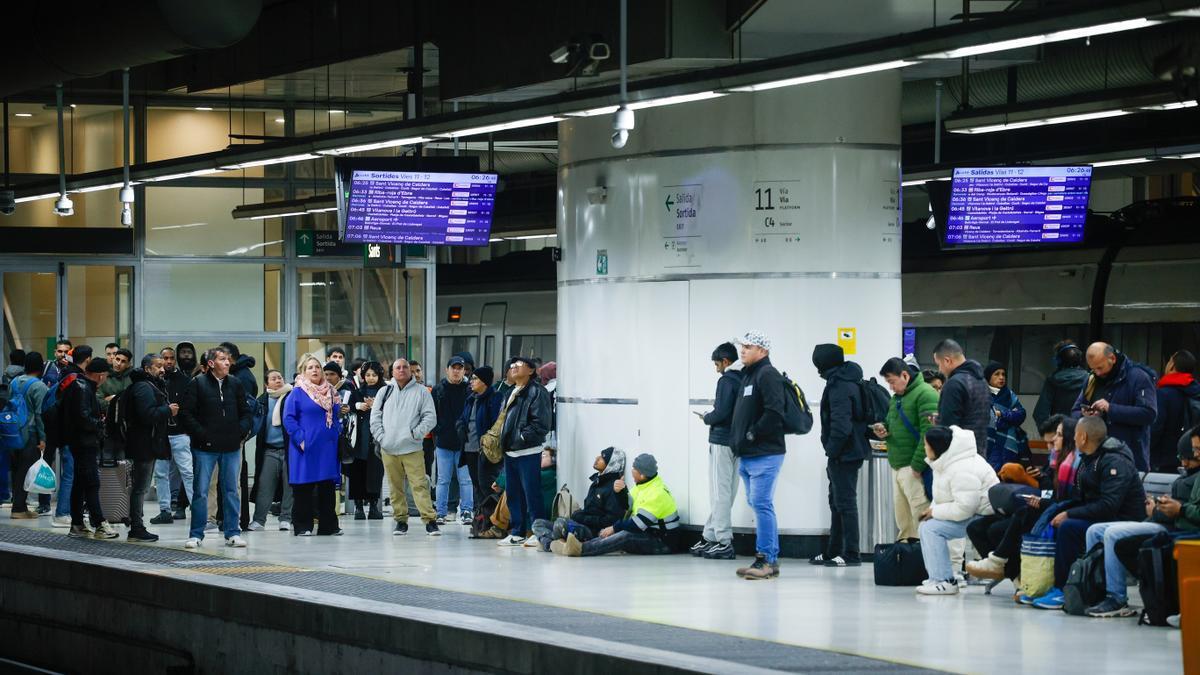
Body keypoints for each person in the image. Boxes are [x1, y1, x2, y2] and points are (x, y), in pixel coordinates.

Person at [1028, 415, 1146, 610]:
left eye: (1074, 436)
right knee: (1054, 518)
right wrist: (1061, 510)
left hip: (1123, 520)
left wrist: (1070, 514)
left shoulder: (1114, 461)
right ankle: (1060, 585)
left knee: (1069, 527)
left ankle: (1062, 589)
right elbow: (1082, 497)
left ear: (1082, 437)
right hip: (1104, 516)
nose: (1072, 439)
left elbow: (1109, 505)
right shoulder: (1089, 460)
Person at [1083, 425, 1200, 617]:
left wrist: (1157, 509)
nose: (1185, 463)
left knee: (1112, 534)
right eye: (1182, 457)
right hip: (1161, 519)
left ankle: (1116, 598)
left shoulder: (1195, 478)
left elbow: (1180, 510)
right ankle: (1095, 591)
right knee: (1094, 530)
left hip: (1170, 526)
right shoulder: (1188, 476)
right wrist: (1159, 506)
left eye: (1191, 456)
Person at [967, 415, 1076, 583]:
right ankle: (1010, 573)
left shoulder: (1072, 465)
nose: (1050, 446)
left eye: (1056, 439)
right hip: (1040, 506)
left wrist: (1041, 484)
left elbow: (1064, 499)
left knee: (998, 529)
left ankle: (1009, 571)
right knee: (975, 527)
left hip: (1050, 512)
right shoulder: (1054, 462)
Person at [727, 331, 789, 578]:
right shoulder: (748, 374)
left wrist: (752, 434)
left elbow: (775, 412)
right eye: (741, 346)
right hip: (749, 454)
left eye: (748, 346)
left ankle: (766, 559)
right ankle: (768, 559)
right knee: (758, 504)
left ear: (762, 351)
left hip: (764, 453)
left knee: (762, 505)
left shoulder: (767, 374)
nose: (742, 350)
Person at [179, 347, 252, 549]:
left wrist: (241, 432)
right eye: (222, 359)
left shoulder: (235, 384)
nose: (228, 363)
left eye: (228, 359)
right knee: (201, 491)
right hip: (204, 448)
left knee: (231, 490)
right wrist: (202, 434)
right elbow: (186, 414)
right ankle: (196, 534)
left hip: (231, 446)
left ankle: (232, 532)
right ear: (211, 363)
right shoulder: (198, 384)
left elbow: (246, 412)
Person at [915, 426, 1000, 595]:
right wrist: (931, 510)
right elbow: (943, 497)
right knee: (927, 526)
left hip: (986, 516)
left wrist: (935, 512)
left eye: (926, 445)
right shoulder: (946, 461)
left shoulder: (961, 467)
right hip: (974, 513)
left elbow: (964, 507)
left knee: (931, 529)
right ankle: (937, 577)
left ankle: (945, 580)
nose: (924, 448)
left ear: (935, 447)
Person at [810, 343, 871, 568]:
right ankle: (833, 551)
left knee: (844, 503)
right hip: (848, 451)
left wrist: (831, 450)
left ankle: (851, 554)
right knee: (837, 502)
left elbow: (841, 424)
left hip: (845, 452)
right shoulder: (846, 379)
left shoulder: (839, 385)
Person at [549, 453, 680, 557]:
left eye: (634, 470)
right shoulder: (642, 486)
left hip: (663, 542)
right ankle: (576, 545)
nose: (632, 472)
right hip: (650, 534)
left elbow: (637, 525)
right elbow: (627, 506)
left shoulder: (656, 493)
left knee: (625, 535)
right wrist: (621, 492)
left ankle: (581, 549)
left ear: (642, 474)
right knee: (620, 531)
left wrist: (613, 528)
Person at [370, 358, 439, 536]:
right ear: (392, 372)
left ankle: (430, 521)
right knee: (395, 487)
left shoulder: (422, 392)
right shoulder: (384, 392)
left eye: (405, 367)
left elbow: (430, 417)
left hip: (412, 448)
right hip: (389, 449)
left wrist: (415, 434)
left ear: (410, 371)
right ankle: (401, 521)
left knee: (420, 485)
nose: (401, 370)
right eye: (397, 368)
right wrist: (382, 438)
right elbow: (375, 417)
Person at [876, 357, 939, 541]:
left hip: (914, 467)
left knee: (920, 514)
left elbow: (929, 434)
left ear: (904, 375)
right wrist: (883, 428)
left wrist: (918, 465)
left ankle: (927, 558)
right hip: (898, 465)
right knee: (904, 519)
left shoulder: (926, 394)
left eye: (892, 382)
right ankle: (907, 556)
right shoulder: (897, 398)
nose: (890, 387)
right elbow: (892, 423)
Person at [1070, 342, 1158, 473]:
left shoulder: (1139, 377)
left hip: (1128, 457)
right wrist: (1085, 416)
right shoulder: (1091, 380)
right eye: (1093, 369)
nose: (1097, 373)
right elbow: (1075, 411)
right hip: (1094, 457)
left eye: (1100, 368)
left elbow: (1149, 414)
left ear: (1112, 358)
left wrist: (1110, 408)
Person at [691, 343, 742, 560]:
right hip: (738, 443)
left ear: (726, 361)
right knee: (728, 492)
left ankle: (723, 540)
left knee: (718, 493)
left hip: (721, 440)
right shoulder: (744, 379)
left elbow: (721, 413)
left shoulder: (726, 381)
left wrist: (706, 418)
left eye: (717, 363)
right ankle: (710, 534)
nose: (716, 368)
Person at [496, 356, 552, 547]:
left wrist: (521, 437)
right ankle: (518, 531)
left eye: (518, 365)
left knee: (532, 493)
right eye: (511, 366)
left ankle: (539, 531)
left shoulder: (537, 392)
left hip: (528, 450)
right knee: (513, 493)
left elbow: (541, 423)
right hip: (510, 451)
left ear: (531, 370)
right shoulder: (511, 391)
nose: (513, 368)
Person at [285, 354, 343, 537]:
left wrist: (336, 431)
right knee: (304, 487)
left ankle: (329, 526)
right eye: (310, 367)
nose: (315, 370)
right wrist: (300, 438)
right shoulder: (298, 392)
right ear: (303, 371)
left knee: (326, 487)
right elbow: (289, 418)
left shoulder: (332, 392)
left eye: (317, 367)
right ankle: (303, 526)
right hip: (305, 447)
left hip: (327, 446)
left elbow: (336, 415)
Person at [64, 357, 119, 540]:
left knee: (80, 483)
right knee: (92, 482)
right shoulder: (83, 388)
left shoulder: (81, 385)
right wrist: (99, 425)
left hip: (80, 441)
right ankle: (99, 523)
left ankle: (77, 524)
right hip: (84, 443)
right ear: (100, 375)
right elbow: (83, 417)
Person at [532, 447, 629, 550]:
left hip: (591, 532)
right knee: (537, 523)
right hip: (579, 524)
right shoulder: (596, 483)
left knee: (561, 524)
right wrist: (579, 515)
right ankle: (551, 544)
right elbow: (588, 510)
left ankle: (549, 542)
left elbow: (611, 520)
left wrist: (582, 517)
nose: (597, 458)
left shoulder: (613, 487)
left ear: (611, 464)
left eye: (602, 458)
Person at [124, 353, 176, 542]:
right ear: (147, 369)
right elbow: (147, 415)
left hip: (147, 443)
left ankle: (136, 525)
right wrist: (168, 410)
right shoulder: (143, 388)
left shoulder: (149, 385)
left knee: (140, 487)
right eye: (158, 366)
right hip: (143, 445)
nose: (163, 369)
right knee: (140, 487)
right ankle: (136, 527)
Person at [49, 344, 91, 528]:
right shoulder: (76, 379)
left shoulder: (66, 374)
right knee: (70, 474)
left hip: (64, 431)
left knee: (71, 473)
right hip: (70, 434)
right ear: (88, 359)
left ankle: (68, 511)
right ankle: (62, 512)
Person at [154, 343, 194, 524]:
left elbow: (190, 407)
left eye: (171, 358)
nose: (168, 361)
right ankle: (165, 509)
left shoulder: (185, 381)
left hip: (180, 433)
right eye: (165, 358)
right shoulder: (155, 380)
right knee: (161, 474)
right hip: (161, 434)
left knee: (187, 472)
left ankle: (197, 509)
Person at [6, 352, 48, 520]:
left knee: (17, 470)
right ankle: (18, 509)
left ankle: (20, 506)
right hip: (29, 434)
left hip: (12, 432)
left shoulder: (14, 382)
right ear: (41, 367)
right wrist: (43, 438)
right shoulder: (39, 386)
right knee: (25, 471)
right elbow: (40, 415)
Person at [250, 370, 294, 531]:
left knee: (290, 485)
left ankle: (286, 518)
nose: (278, 381)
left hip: (289, 450)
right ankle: (259, 520)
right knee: (264, 485)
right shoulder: (261, 401)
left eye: (280, 377)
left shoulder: (291, 397)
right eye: (274, 379)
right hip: (269, 451)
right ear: (266, 383)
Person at [432, 355, 473, 524]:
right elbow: (430, 413)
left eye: (460, 368)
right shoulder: (438, 389)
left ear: (464, 371)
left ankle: (467, 511)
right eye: (453, 368)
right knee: (443, 479)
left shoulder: (469, 389)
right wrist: (437, 430)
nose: (456, 371)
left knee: (466, 480)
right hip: (444, 442)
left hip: (465, 443)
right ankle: (440, 512)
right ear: (447, 370)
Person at [932, 339, 991, 454]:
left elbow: (948, 428)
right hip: (979, 451)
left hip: (958, 455)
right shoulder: (981, 381)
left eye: (938, 364)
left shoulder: (954, 384)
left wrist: (939, 421)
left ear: (947, 360)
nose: (939, 370)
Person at [456, 365, 500, 516]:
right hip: (469, 448)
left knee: (486, 484)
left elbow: (496, 424)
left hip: (486, 450)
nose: (471, 381)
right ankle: (481, 517)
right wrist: (461, 427)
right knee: (476, 484)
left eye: (475, 379)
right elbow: (462, 418)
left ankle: (492, 518)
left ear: (485, 382)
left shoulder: (494, 398)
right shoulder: (471, 399)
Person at [346, 362, 386, 520]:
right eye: (368, 375)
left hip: (377, 438)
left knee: (375, 473)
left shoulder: (385, 392)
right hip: (359, 438)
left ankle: (374, 506)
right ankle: (358, 507)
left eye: (374, 375)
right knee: (358, 472)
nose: (371, 378)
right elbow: (347, 407)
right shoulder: (356, 392)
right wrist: (358, 405)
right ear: (363, 376)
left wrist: (375, 405)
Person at [1149, 350, 1200, 473]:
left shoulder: (1163, 394)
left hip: (1164, 460)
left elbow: (1155, 428)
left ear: (1172, 365)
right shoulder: (1196, 392)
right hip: (1193, 457)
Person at [984, 362, 1030, 471]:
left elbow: (1021, 414)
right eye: (997, 374)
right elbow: (985, 419)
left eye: (1003, 374)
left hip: (1008, 444)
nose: (1001, 377)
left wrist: (1003, 414)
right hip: (988, 443)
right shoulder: (981, 394)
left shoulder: (1009, 395)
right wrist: (1009, 418)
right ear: (988, 376)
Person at [1033, 341, 1088, 427]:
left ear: (1058, 360)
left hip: (1060, 434)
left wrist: (1049, 435)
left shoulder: (1052, 380)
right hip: (1084, 434)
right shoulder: (1089, 378)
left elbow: (1040, 414)